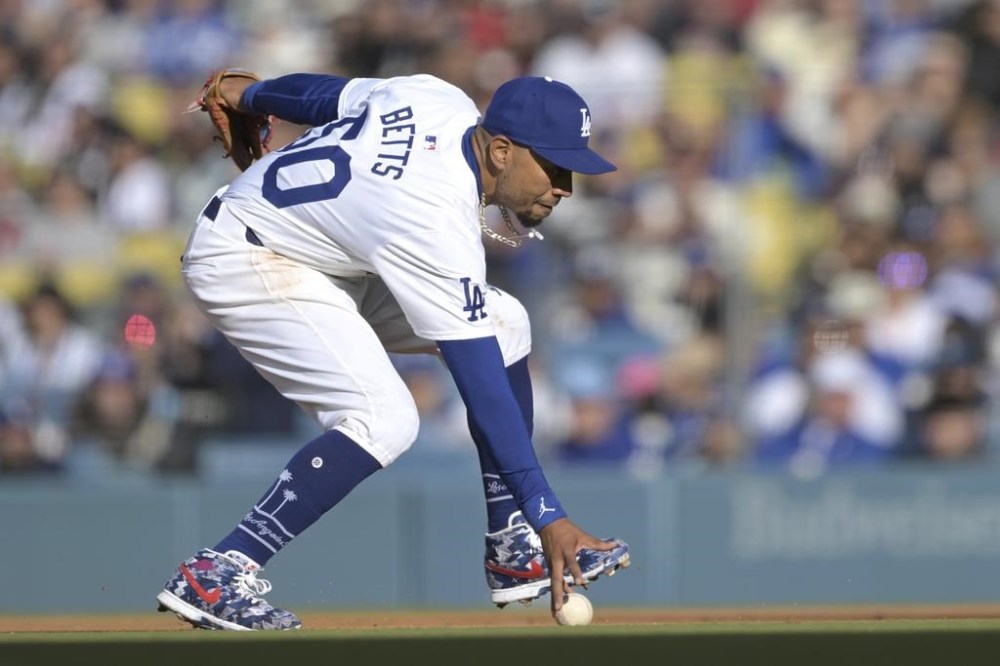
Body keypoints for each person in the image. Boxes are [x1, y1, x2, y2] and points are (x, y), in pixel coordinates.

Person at [155, 70, 631, 631]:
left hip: (324, 254)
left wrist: (252, 95)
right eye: (553, 167)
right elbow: (481, 389)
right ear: (501, 151)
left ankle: (510, 549)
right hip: (244, 260)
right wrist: (548, 513)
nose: (564, 187)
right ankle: (218, 570)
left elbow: (328, 96)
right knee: (384, 418)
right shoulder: (432, 218)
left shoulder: (439, 98)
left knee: (506, 322)